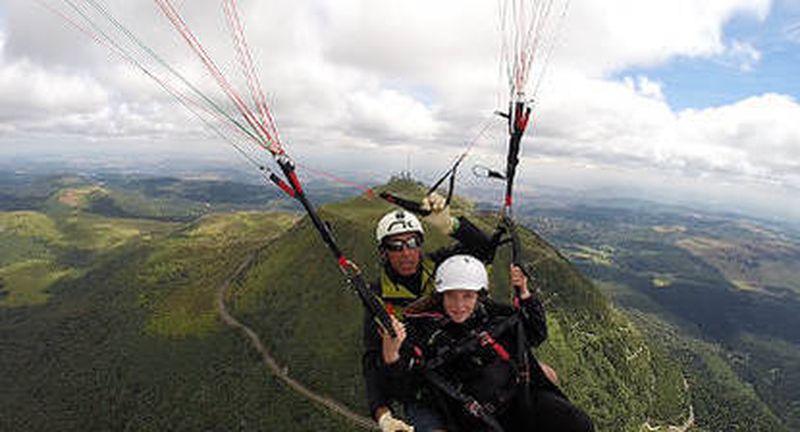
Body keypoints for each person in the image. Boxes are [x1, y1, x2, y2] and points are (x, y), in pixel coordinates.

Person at [380, 255, 594, 432]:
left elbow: (535, 335)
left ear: (479, 296)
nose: (459, 305)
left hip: (520, 398)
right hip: (477, 419)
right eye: (451, 297)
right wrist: (392, 354)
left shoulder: (494, 317)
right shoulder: (427, 333)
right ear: (441, 296)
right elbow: (406, 391)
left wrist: (525, 292)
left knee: (578, 424)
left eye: (467, 296)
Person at [364, 194, 497, 432]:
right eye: (395, 246)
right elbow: (372, 359)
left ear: (420, 245)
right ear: (383, 252)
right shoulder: (378, 298)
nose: (406, 253)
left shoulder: (440, 267)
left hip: (462, 365)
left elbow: (485, 249)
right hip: (421, 386)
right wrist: (382, 413)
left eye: (412, 243)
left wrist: (451, 225)